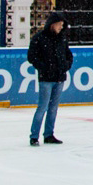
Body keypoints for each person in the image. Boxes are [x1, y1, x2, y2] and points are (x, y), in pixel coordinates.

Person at [26, 11, 73, 146]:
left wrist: (66, 65)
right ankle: (34, 136)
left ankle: (49, 134)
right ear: (53, 24)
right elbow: (31, 56)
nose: (61, 27)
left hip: (59, 78)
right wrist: (43, 67)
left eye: (62, 25)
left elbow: (68, 55)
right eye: (59, 25)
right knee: (43, 107)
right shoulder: (39, 38)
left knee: (53, 108)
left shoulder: (62, 38)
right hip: (46, 79)